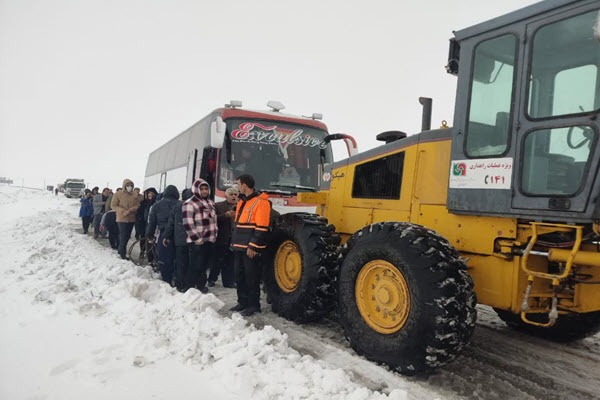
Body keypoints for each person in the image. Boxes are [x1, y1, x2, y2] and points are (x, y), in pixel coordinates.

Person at [229, 174, 271, 316]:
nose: (237, 187)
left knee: (251, 277)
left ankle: (254, 305)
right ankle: (243, 302)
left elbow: (262, 226)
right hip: (239, 246)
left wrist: (253, 245)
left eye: (238, 184)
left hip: (249, 247)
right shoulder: (242, 201)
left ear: (245, 185)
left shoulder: (261, 202)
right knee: (239, 275)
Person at [182, 178, 218, 293]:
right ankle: (189, 288)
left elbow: (214, 220)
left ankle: (201, 286)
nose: (204, 191)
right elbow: (188, 223)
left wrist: (214, 235)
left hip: (209, 240)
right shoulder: (190, 203)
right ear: (196, 190)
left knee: (204, 266)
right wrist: (196, 238)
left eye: (206, 188)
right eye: (201, 189)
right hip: (197, 241)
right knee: (195, 266)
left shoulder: (211, 202)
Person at [146, 185, 180, 285]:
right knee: (178, 257)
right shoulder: (180, 204)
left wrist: (150, 234)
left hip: (164, 234)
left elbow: (151, 222)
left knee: (164, 258)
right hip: (178, 234)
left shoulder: (157, 205)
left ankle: (167, 280)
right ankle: (177, 278)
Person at [208, 186, 239, 288]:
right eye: (231, 194)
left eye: (235, 194)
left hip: (235, 238)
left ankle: (228, 281)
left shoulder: (241, 207)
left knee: (230, 261)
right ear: (226, 196)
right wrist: (225, 216)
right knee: (217, 260)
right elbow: (212, 219)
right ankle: (212, 279)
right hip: (222, 237)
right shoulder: (218, 206)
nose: (234, 197)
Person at [163, 188, 193, 291]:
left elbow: (170, 224)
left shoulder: (177, 207)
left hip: (180, 240)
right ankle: (191, 285)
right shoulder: (196, 206)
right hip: (194, 240)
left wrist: (166, 236)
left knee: (181, 264)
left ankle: (180, 285)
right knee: (192, 264)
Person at [111, 179, 141, 260]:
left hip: (131, 218)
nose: (129, 187)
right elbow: (113, 205)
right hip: (122, 218)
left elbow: (138, 205)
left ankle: (121, 252)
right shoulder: (118, 194)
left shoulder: (135, 194)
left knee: (127, 237)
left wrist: (131, 210)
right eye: (128, 185)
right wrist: (122, 211)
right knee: (123, 236)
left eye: (131, 185)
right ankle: (122, 255)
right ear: (124, 185)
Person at [135, 188, 158, 258]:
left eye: (151, 193)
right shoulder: (143, 203)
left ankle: (151, 255)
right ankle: (142, 252)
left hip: (153, 225)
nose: (149, 195)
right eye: (148, 193)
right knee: (143, 239)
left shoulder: (157, 203)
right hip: (143, 224)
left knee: (151, 240)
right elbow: (139, 214)